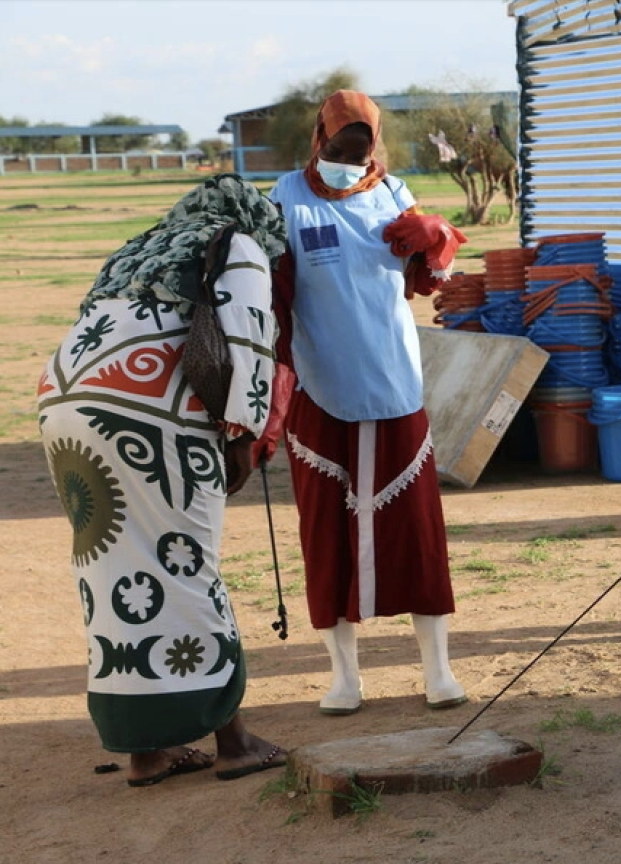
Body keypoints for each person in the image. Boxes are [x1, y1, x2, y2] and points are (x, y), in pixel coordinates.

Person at [37, 174, 290, 785]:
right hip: (151, 410)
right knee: (186, 560)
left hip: (65, 402)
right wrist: (244, 435)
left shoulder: (140, 246)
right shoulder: (239, 243)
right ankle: (234, 740)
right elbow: (248, 339)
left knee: (112, 565)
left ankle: (147, 750)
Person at [269, 90, 469, 715]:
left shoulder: (393, 192)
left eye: (362, 149)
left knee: (416, 531)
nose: (350, 160)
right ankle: (344, 678)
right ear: (318, 140)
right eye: (339, 148)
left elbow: (423, 281)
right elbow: (273, 293)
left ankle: (437, 671)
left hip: (392, 381)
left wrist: (436, 243)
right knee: (325, 531)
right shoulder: (285, 199)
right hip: (319, 386)